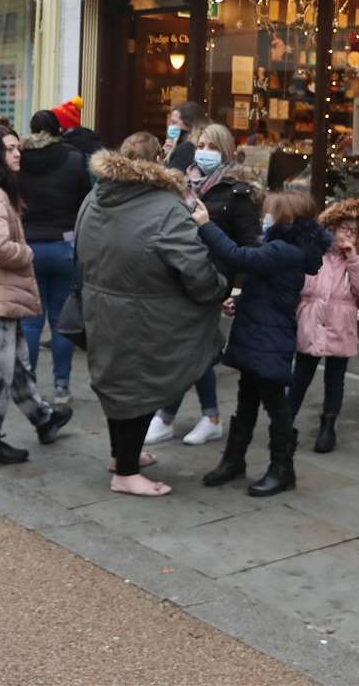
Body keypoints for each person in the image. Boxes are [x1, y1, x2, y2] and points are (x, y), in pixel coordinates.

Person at [78, 132, 230, 496]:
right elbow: (194, 268)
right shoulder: (164, 206)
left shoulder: (96, 195)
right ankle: (125, 473)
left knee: (117, 384)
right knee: (141, 388)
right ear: (159, 161)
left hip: (100, 304)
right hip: (147, 314)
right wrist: (217, 287)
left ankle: (121, 457)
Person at [192, 189, 329, 498]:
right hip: (258, 332)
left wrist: (205, 224)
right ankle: (234, 460)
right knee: (247, 398)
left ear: (286, 217)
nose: (264, 216)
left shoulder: (284, 249)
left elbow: (239, 257)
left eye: (270, 211)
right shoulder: (283, 247)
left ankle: (282, 469)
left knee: (275, 404)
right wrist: (241, 302)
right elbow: (270, 289)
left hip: (268, 338)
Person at [0, 125, 72, 464]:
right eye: (9, 148)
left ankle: (43, 418)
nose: (17, 153)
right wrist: (26, 253)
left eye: (18, 147)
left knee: (13, 363)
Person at [148, 123, 264, 447]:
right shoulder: (183, 185)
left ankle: (171, 416)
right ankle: (204, 416)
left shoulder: (237, 193)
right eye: (201, 144)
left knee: (187, 346)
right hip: (180, 276)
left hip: (213, 280)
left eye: (212, 147)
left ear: (225, 152)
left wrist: (239, 291)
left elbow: (251, 247)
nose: (204, 151)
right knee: (193, 347)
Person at [287, 199, 359, 454]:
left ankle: (328, 426)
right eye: (345, 228)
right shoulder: (316, 253)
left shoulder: (354, 260)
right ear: (332, 227)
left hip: (340, 325)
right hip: (311, 322)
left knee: (335, 379)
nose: (349, 234)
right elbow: (300, 284)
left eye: (355, 231)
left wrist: (352, 256)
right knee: (300, 375)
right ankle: (285, 422)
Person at [17, 110, 92, 405]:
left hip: (30, 246)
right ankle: (61, 385)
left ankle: (30, 383)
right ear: (58, 129)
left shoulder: (19, 160)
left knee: (31, 322)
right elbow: (85, 199)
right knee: (62, 320)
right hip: (64, 245)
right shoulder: (74, 159)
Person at [163, 101, 207, 172]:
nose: (170, 126)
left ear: (189, 125)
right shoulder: (187, 146)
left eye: (174, 123)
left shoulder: (185, 149)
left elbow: (171, 177)